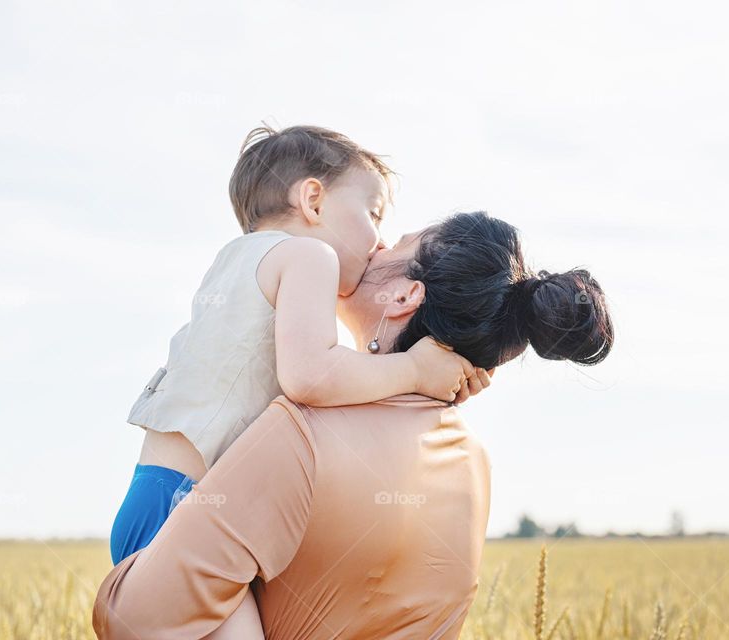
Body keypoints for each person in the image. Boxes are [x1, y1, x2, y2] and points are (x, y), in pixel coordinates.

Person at [94, 211, 614, 639]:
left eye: (401, 242)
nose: (380, 243)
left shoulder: (300, 433)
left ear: (405, 297)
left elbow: (141, 617)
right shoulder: (473, 464)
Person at [109, 126, 485, 638]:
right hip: (187, 516)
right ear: (313, 199)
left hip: (158, 495)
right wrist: (415, 370)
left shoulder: (239, 262)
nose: (378, 240)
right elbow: (312, 377)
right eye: (373, 213)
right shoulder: (310, 258)